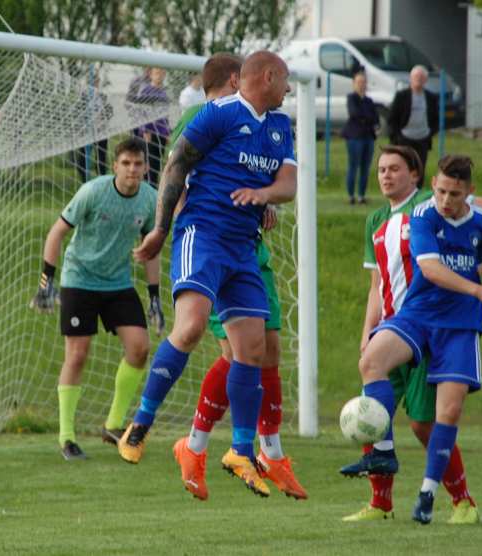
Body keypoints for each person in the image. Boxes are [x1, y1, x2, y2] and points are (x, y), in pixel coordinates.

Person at [117, 51, 297, 499]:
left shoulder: (279, 127)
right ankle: (142, 419)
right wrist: (161, 228)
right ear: (268, 76)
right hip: (204, 233)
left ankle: (240, 450)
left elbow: (289, 184)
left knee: (251, 350)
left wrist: (264, 195)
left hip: (243, 248)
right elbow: (176, 164)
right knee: (192, 325)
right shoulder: (217, 114)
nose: (290, 90)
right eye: (286, 81)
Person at [165, 53, 308, 501]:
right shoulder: (204, 116)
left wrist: (264, 201)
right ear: (234, 79)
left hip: (250, 250)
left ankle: (269, 452)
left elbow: (265, 174)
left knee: (268, 349)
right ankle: (198, 445)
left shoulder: (269, 123)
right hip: (211, 250)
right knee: (236, 351)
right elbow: (178, 174)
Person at [340, 145, 482, 524]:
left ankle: (460, 500)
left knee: (422, 423)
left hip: (436, 326)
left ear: (417, 177)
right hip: (399, 324)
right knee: (372, 402)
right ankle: (380, 502)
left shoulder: (428, 209)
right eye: (381, 168)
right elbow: (377, 283)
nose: (385, 175)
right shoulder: (376, 221)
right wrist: (369, 329)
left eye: (395, 169)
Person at [29, 137, 165, 460]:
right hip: (79, 280)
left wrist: (155, 297)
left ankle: (114, 425)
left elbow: (151, 249)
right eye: (126, 163)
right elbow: (56, 233)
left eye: (138, 164)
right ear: (115, 165)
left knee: (140, 348)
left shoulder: (150, 200)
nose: (132, 169)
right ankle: (66, 437)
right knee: (77, 354)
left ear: (146, 167)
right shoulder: (93, 191)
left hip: (117, 282)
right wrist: (45, 283)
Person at [388, 65, 438, 188]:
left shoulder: (431, 97)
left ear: (425, 80)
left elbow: (435, 119)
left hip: (422, 138)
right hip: (404, 138)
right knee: (403, 166)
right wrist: (396, 138)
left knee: (420, 168)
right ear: (411, 78)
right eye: (416, 77)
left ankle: (417, 193)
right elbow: (392, 119)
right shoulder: (402, 96)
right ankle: (402, 190)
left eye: (421, 77)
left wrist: (430, 132)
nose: (418, 79)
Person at [341, 71, 379, 205]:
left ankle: (361, 196)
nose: (362, 85)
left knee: (365, 167)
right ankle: (351, 196)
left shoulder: (369, 101)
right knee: (353, 166)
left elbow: (375, 118)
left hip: (368, 137)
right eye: (359, 82)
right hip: (354, 137)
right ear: (354, 84)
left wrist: (366, 119)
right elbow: (354, 113)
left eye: (364, 82)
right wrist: (367, 118)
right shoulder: (351, 98)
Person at [138, 68, 171, 185]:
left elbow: (165, 115)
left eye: (162, 73)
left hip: (161, 134)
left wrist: (167, 133)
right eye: (157, 73)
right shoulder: (146, 91)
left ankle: (153, 188)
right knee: (148, 163)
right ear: (151, 75)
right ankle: (146, 186)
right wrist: (145, 130)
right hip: (150, 133)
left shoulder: (163, 93)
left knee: (157, 163)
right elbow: (142, 112)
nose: (160, 76)